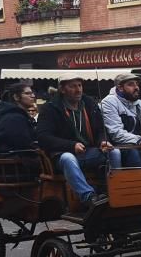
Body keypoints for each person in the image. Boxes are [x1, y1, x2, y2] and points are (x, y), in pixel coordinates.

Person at [36, 73, 114, 211]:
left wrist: (103, 141)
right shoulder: (50, 108)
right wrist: (71, 145)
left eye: (80, 85)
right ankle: (89, 197)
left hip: (88, 152)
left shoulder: (89, 103)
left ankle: (113, 192)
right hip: (61, 154)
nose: (78, 90)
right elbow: (43, 137)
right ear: (62, 89)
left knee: (115, 153)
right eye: (73, 86)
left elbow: (101, 129)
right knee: (68, 158)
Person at [100, 73, 141, 168]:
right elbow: (116, 133)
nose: (136, 87)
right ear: (120, 88)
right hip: (119, 145)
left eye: (137, 84)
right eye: (131, 84)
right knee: (132, 152)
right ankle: (138, 182)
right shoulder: (109, 102)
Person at [0, 82, 37, 155]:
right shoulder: (15, 118)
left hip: (11, 160)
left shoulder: (12, 114)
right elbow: (22, 144)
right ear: (16, 97)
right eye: (27, 93)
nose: (33, 96)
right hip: (15, 162)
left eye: (32, 93)